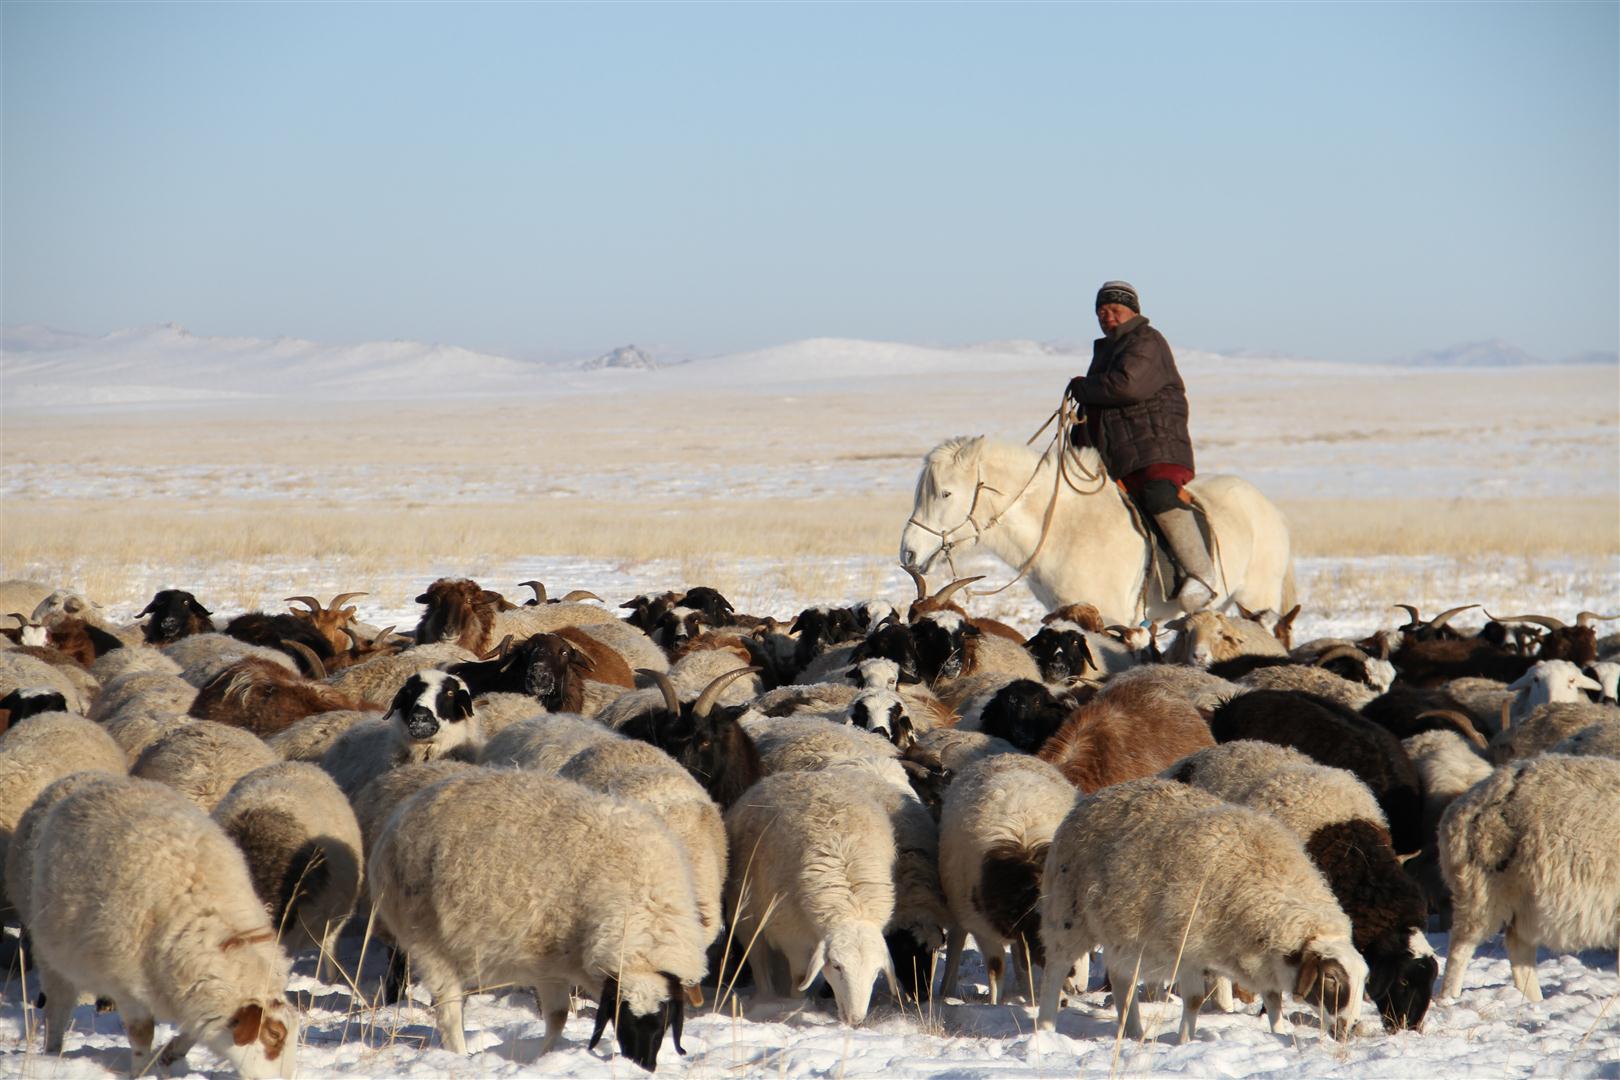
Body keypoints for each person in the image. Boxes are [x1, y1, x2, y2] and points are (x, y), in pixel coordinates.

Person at [1065, 280, 1217, 612]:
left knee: (1157, 494)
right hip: (1121, 451)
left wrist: (1084, 387)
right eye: (1102, 312)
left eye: (1115, 310)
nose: (1108, 317)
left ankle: (1200, 574)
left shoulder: (1147, 341)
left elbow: (1127, 387)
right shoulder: (1107, 351)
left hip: (1155, 445)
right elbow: (1101, 406)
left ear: (1133, 311)